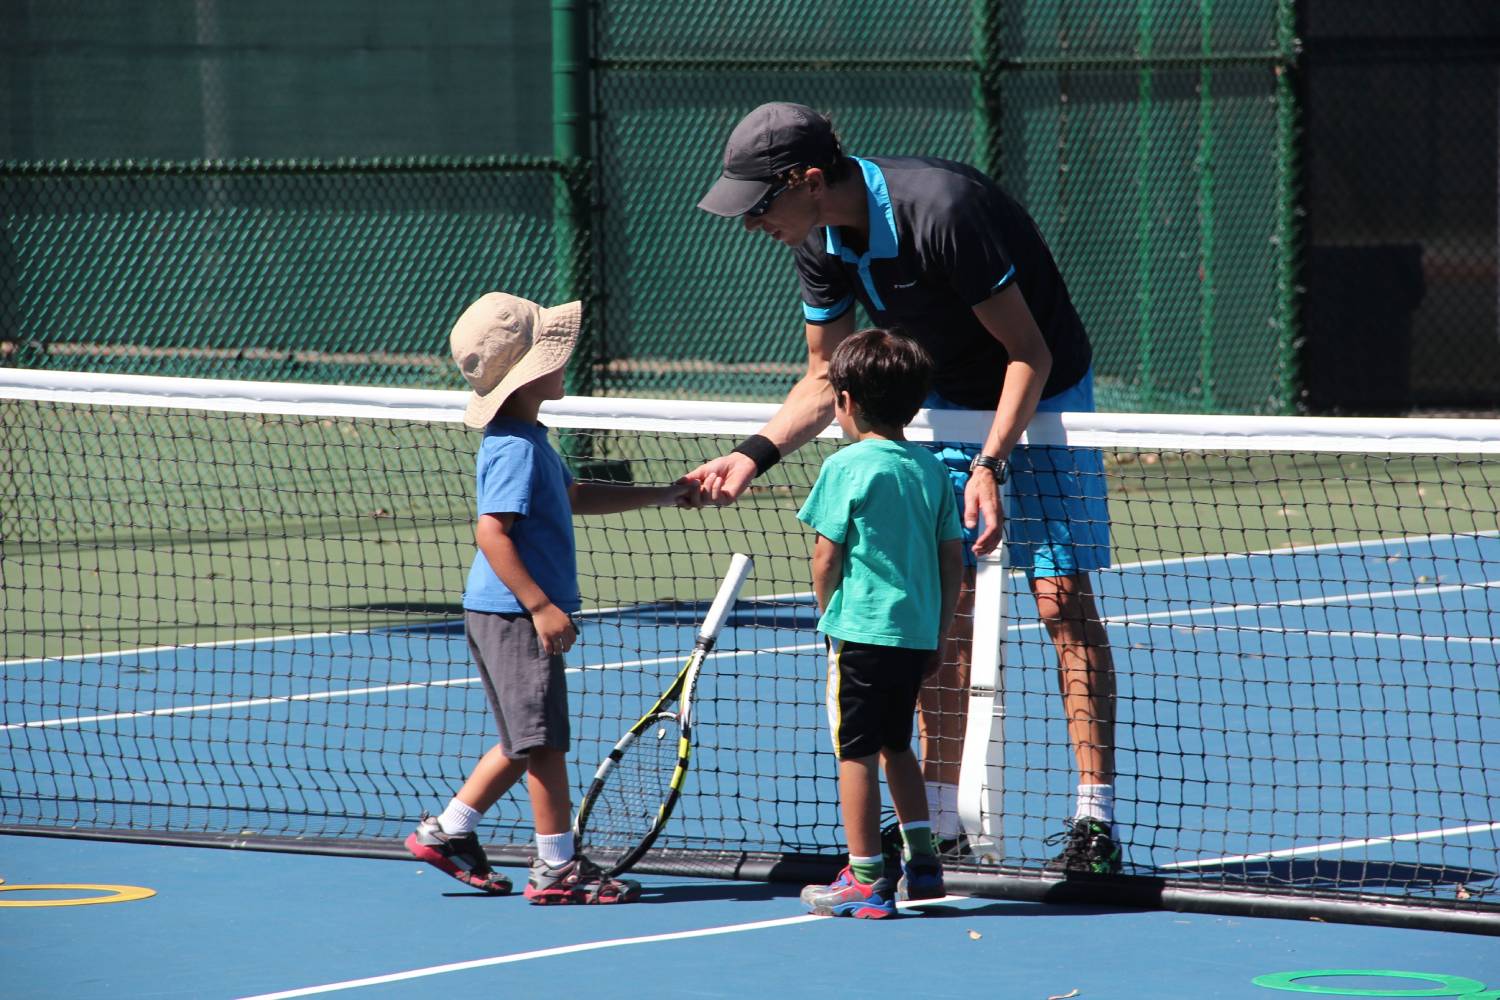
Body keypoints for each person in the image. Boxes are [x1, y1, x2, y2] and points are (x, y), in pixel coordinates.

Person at [690, 102, 1122, 874]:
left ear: (810, 180)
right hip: (949, 397)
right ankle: (944, 816)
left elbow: (1029, 351)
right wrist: (752, 454)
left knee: (1059, 598)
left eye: (761, 204)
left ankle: (1095, 818)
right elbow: (826, 374)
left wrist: (990, 464)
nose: (753, 223)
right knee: (942, 608)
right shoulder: (818, 240)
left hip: (1044, 386)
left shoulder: (941, 212)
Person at [406, 291, 697, 903]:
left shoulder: (530, 438)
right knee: (543, 743)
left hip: (498, 612)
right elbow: (491, 531)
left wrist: (664, 495)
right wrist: (540, 605)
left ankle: (447, 831)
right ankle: (556, 868)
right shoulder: (513, 446)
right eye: (553, 353)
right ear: (529, 373)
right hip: (514, 614)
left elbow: (572, 495)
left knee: (521, 738)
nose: (566, 361)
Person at [795, 327, 964, 919]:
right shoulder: (933, 471)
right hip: (915, 637)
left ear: (844, 400)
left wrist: (829, 616)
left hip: (862, 636)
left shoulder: (846, 467)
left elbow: (825, 556)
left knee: (855, 754)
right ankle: (923, 864)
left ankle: (866, 877)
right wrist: (939, 634)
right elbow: (953, 563)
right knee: (898, 745)